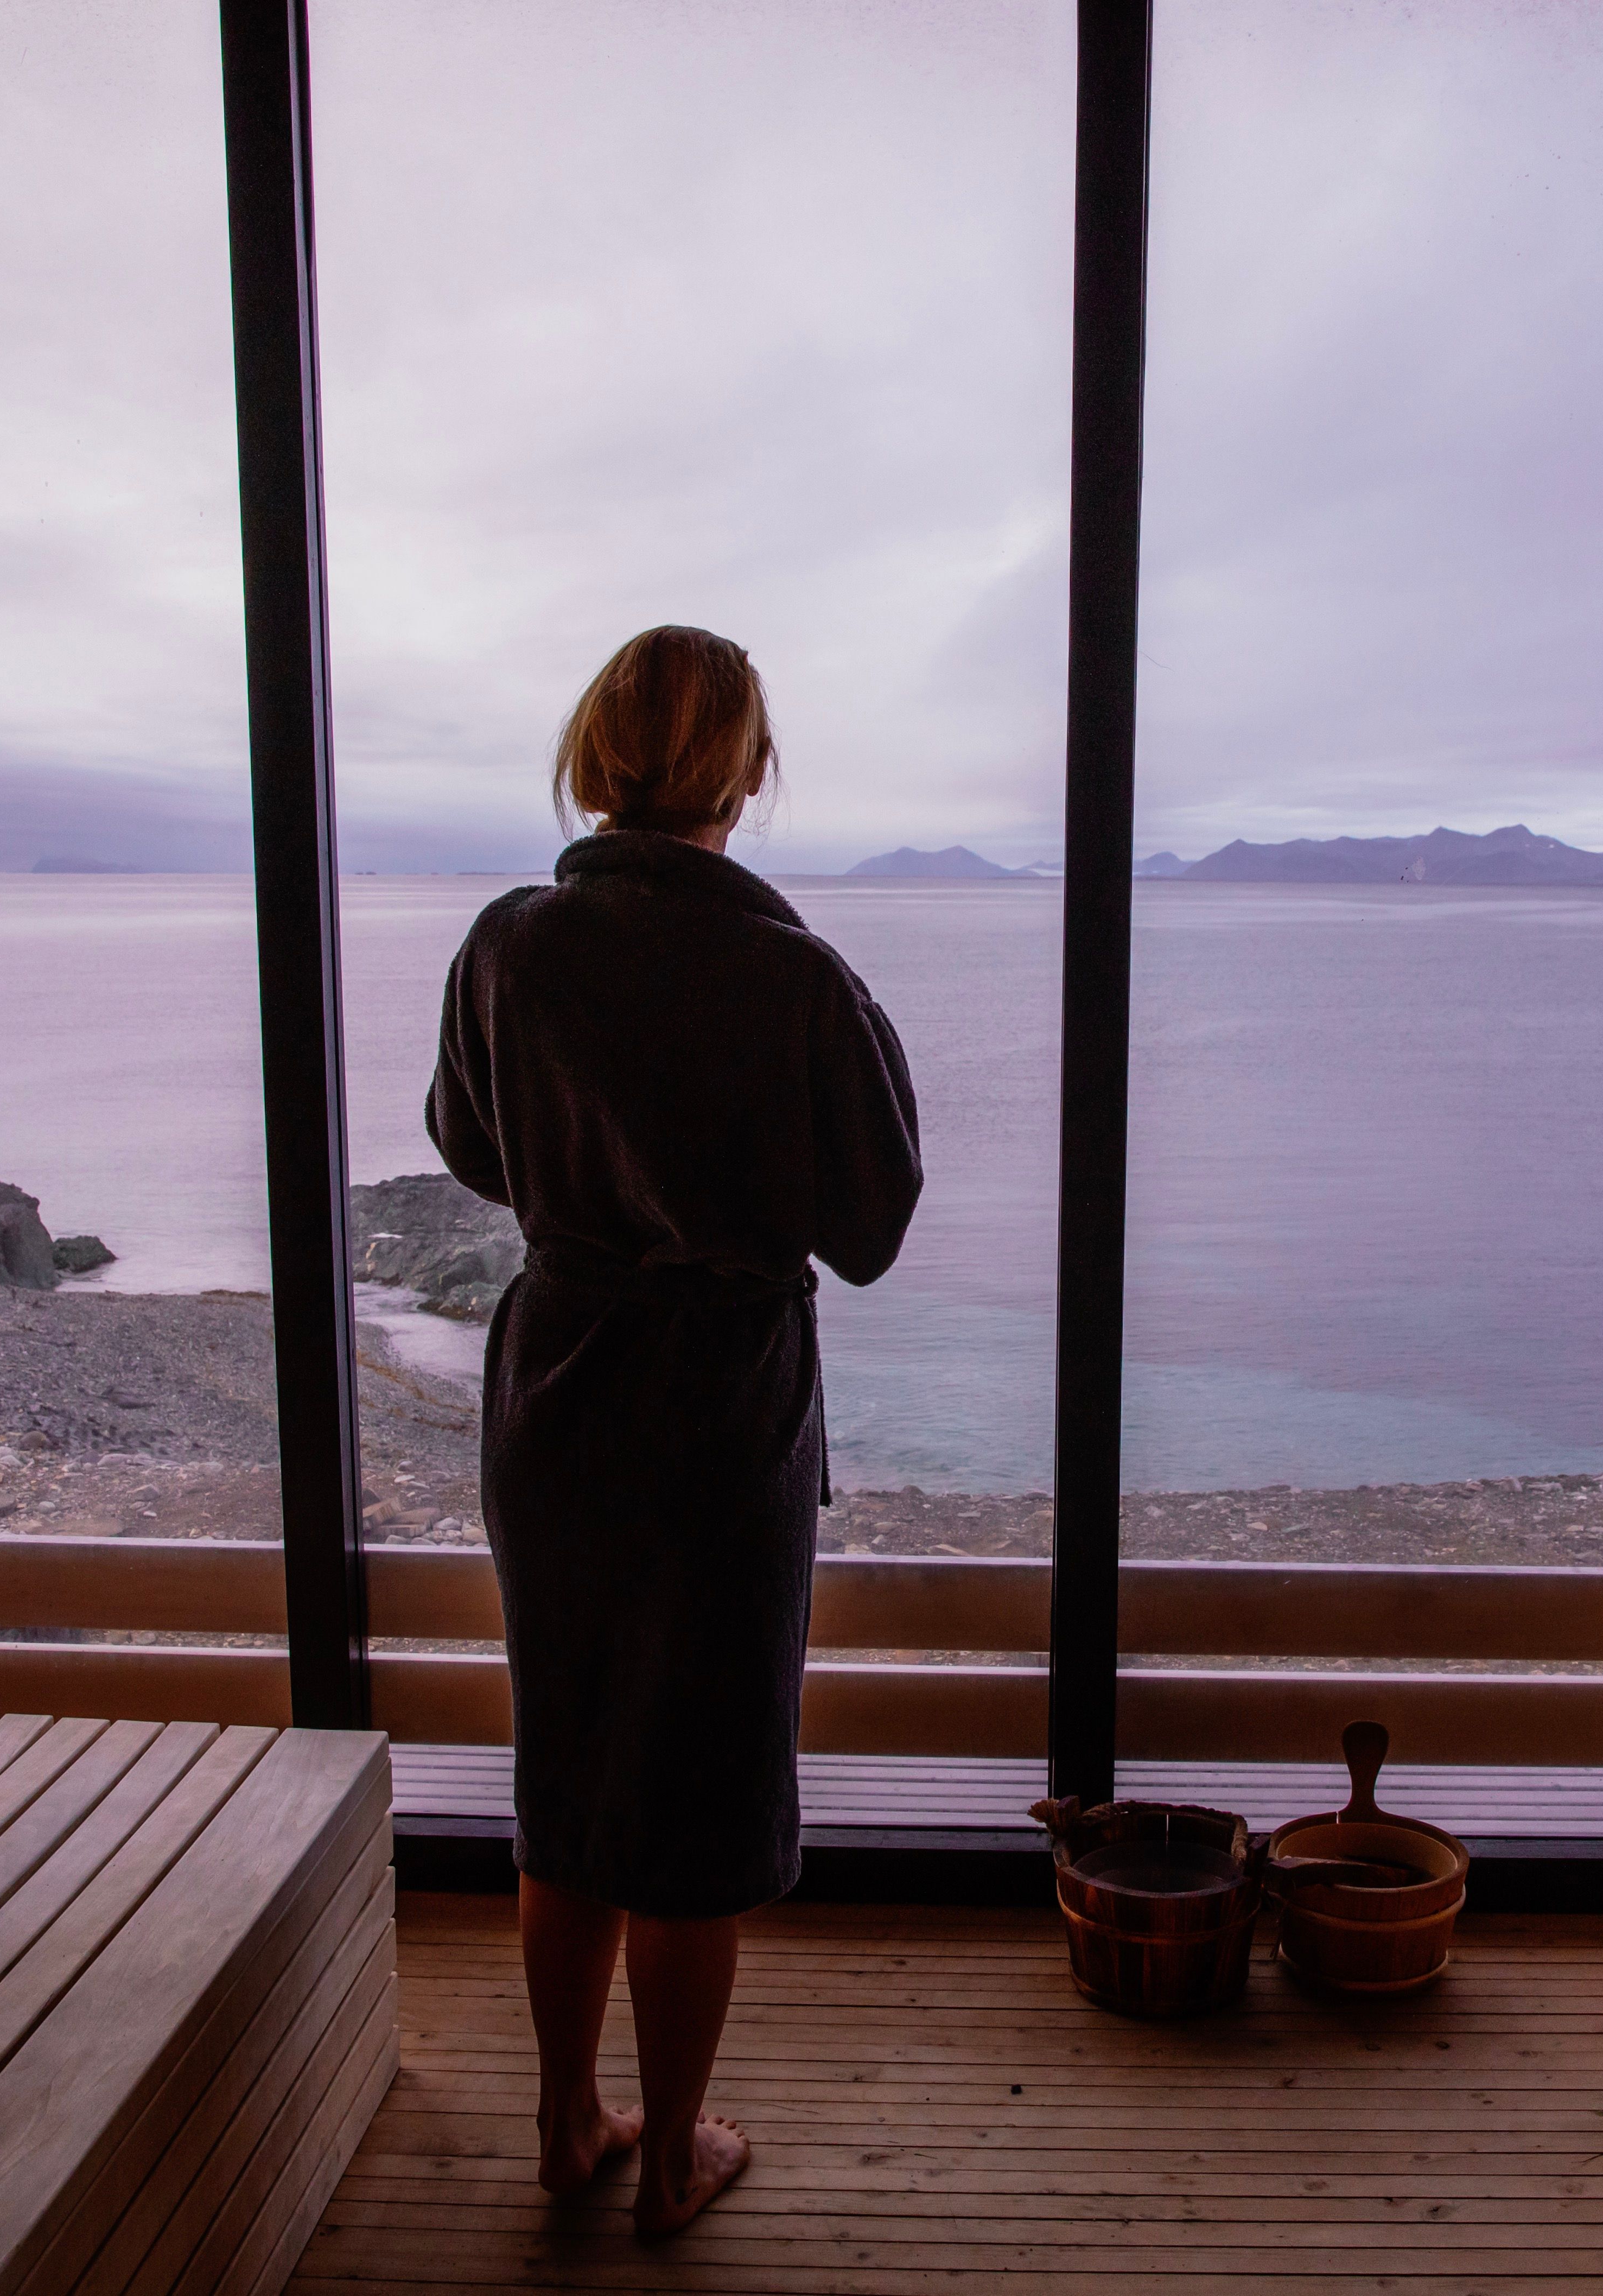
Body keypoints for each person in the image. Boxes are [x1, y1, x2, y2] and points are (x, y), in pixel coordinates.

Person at [425, 624, 924, 2237]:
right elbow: (869, 1223)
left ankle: (569, 2125)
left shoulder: (508, 945)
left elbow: (474, 1149)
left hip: (558, 1382)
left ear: (590, 761)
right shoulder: (791, 976)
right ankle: (673, 2156)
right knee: (697, 1795)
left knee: (569, 1767)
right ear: (749, 773)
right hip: (719, 1406)